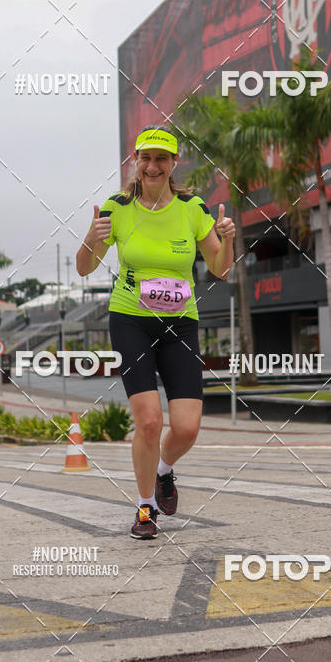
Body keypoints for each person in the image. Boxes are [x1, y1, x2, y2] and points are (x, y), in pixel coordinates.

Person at [76, 124, 235, 539]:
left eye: (161, 158)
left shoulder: (193, 208)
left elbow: (221, 269)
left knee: (187, 428)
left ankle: (165, 470)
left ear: (174, 163)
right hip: (130, 318)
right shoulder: (117, 207)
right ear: (136, 161)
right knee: (149, 421)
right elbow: (84, 267)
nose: (152, 166)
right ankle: (146, 507)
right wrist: (91, 238)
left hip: (180, 322)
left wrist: (227, 240)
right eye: (145, 158)